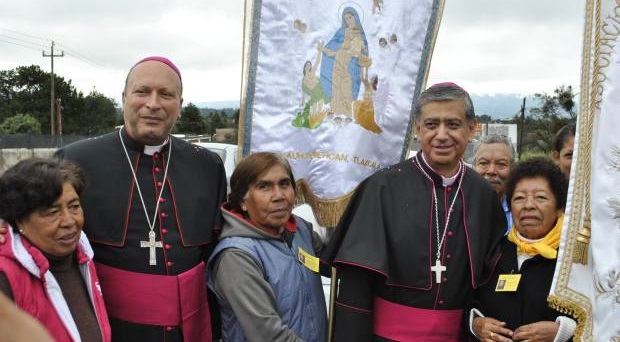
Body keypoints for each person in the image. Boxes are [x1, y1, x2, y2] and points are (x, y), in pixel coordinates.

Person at [54, 56, 227, 341]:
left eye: (167, 95)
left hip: (192, 328)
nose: (154, 104)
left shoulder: (208, 166)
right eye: (142, 91)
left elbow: (221, 247)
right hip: (110, 326)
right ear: (124, 99)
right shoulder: (75, 160)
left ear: (180, 106)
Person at [322, 82, 507, 341]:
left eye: (453, 124)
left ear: (471, 129)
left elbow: (490, 284)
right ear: (418, 130)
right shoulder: (382, 188)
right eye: (431, 125)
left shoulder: (483, 195)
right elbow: (356, 286)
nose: (441, 135)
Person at [207, 152, 327, 342]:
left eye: (285, 184)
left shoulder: (301, 230)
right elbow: (268, 335)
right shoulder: (237, 256)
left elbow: (336, 264)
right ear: (242, 202)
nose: (279, 196)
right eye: (264, 187)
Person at [0, 158, 111, 341]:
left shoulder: (83, 256)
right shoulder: (5, 275)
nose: (69, 222)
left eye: (74, 207)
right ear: (19, 219)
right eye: (52, 213)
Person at [469, 157, 576, 342]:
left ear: (560, 207)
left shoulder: (574, 257)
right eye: (519, 198)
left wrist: (563, 331)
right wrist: (476, 323)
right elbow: (464, 300)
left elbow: (602, 314)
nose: (528, 205)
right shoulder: (493, 251)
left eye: (540, 197)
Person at [320, 7, 370, 119]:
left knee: (347, 86)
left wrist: (356, 50)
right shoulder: (342, 31)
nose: (348, 20)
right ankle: (335, 111)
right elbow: (335, 46)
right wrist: (325, 50)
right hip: (338, 61)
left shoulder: (359, 34)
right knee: (336, 86)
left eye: (350, 17)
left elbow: (362, 51)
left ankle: (347, 113)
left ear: (355, 17)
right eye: (346, 19)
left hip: (349, 64)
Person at [472, 135, 516, 233]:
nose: (491, 171)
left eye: (501, 164)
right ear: (474, 167)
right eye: (483, 163)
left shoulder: (521, 210)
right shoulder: (457, 208)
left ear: (513, 169)